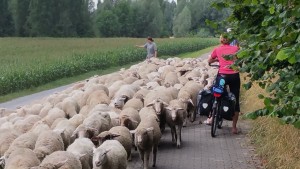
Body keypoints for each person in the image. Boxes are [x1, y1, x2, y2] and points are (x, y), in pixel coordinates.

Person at [204, 34, 240, 134]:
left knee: (217, 94)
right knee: (235, 99)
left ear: (221, 40)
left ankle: (212, 117)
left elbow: (209, 61)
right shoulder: (236, 48)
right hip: (234, 76)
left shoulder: (217, 49)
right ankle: (234, 128)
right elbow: (240, 60)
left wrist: (217, 60)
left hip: (223, 76)